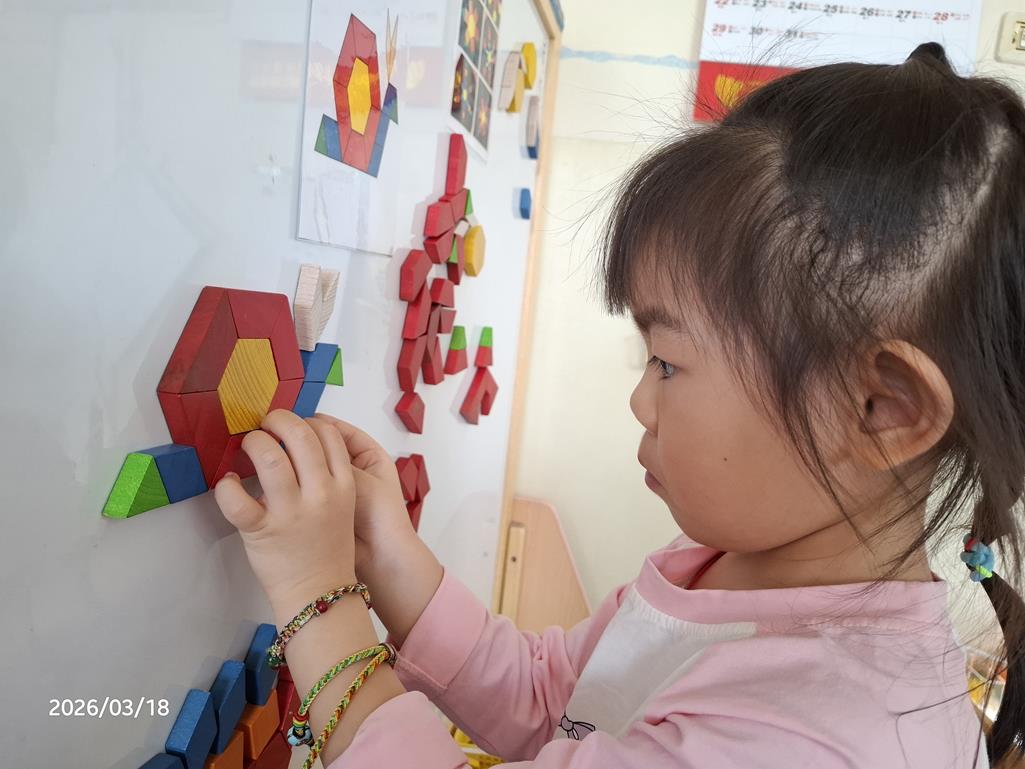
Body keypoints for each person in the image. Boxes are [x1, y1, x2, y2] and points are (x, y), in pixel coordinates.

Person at [213, 42, 1023, 769]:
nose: (640, 398)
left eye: (666, 360)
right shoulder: (719, 562)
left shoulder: (817, 737)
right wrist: (385, 553)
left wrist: (317, 598)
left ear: (879, 408)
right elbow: (549, 700)